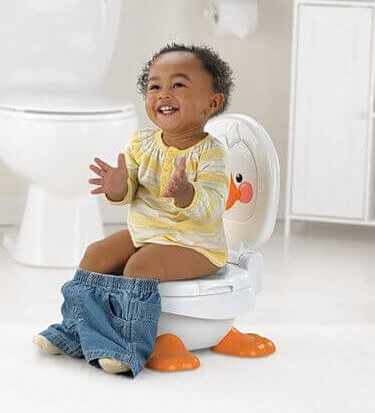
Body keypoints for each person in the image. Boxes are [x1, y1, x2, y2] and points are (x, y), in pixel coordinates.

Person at [33, 44, 233, 376]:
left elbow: (212, 206)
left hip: (196, 245)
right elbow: (128, 190)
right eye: (154, 86)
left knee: (142, 264)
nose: (163, 94)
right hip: (147, 234)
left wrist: (186, 193)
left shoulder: (212, 153)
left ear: (212, 103)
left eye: (178, 84)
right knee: (96, 253)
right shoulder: (141, 142)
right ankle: (77, 329)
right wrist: (117, 186)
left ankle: (126, 346)